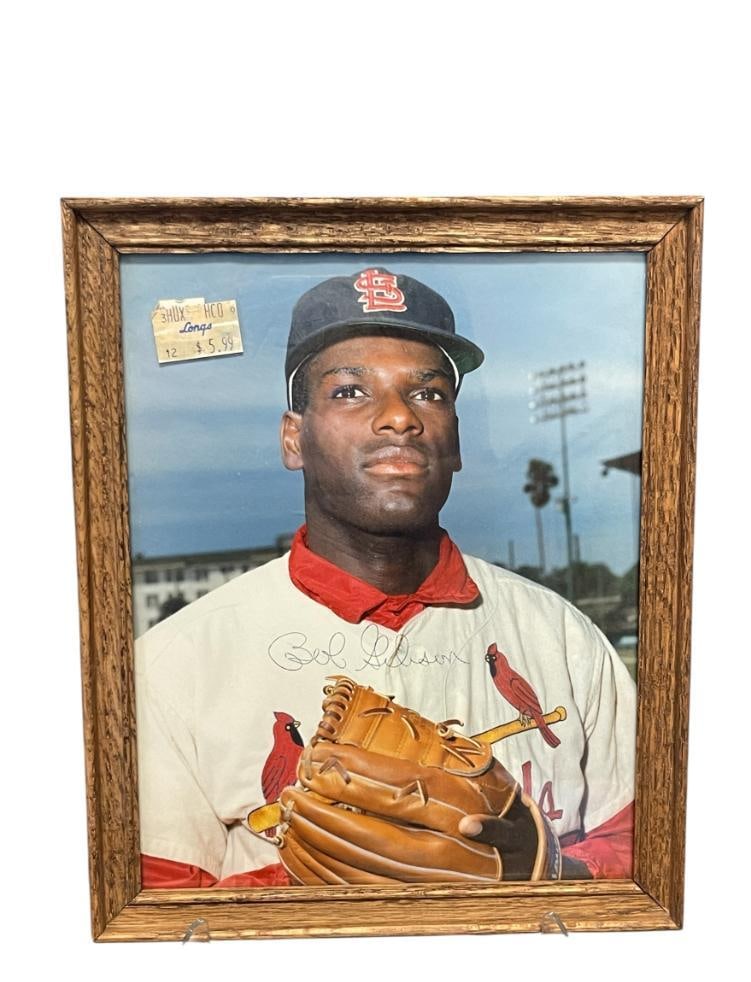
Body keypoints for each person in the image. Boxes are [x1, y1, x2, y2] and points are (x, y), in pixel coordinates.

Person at [136, 267, 636, 888]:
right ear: (294, 437)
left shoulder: (561, 635)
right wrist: (333, 884)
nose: (399, 417)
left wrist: (549, 871)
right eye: (350, 391)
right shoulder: (174, 665)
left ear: (454, 441)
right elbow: (154, 917)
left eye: (428, 393)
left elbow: (648, 850)